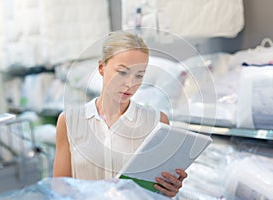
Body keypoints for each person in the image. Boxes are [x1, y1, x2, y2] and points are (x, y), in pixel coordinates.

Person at [53, 31, 187, 197]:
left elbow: (159, 190)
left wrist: (170, 188)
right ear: (101, 68)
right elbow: (60, 190)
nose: (130, 83)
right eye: (122, 72)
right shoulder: (70, 121)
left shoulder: (157, 122)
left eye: (139, 75)